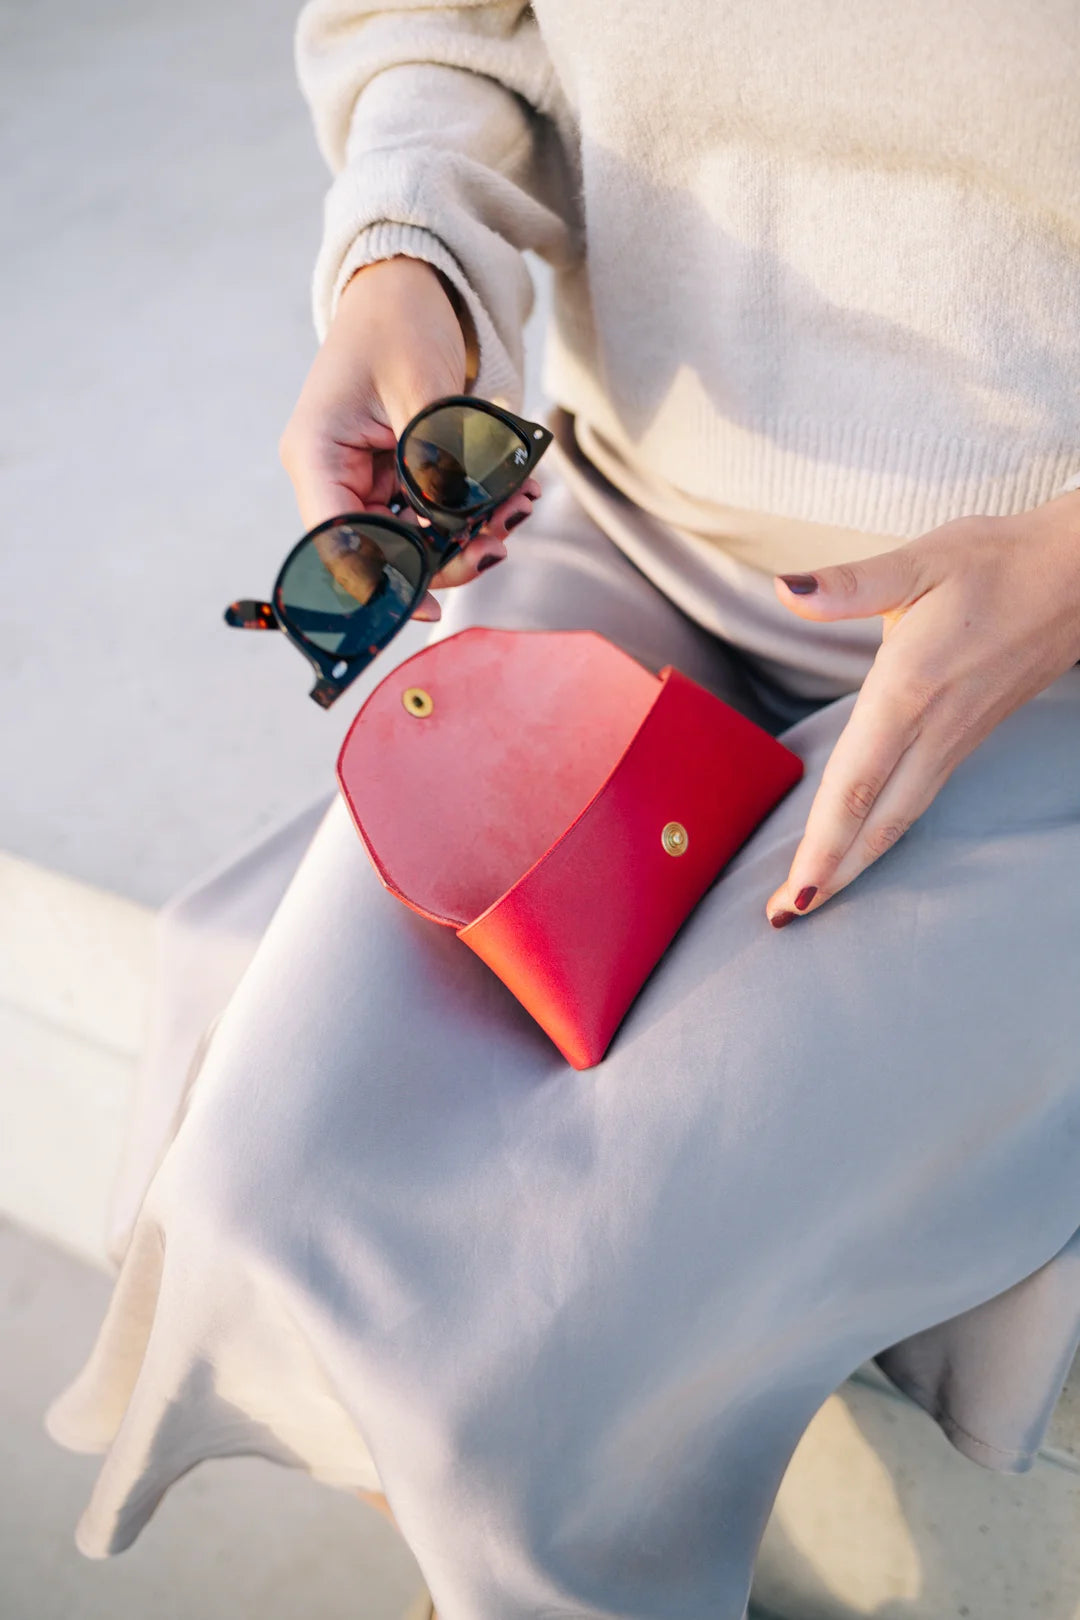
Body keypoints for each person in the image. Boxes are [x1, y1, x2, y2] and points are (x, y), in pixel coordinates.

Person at [46, 4, 1080, 1618]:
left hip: (1052, 644)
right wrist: (408, 253)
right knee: (281, 1194)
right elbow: (448, 29)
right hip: (627, 524)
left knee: (533, 1332)